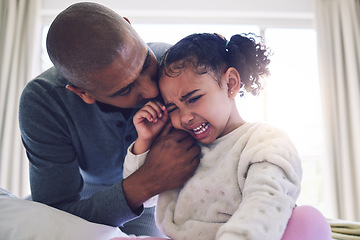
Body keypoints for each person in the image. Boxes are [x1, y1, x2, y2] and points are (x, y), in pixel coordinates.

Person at [122, 33, 332, 239]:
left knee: (307, 220)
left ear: (230, 84)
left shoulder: (265, 141)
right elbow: (145, 197)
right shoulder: (180, 147)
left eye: (193, 98)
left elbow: (264, 205)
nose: (185, 117)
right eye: (172, 108)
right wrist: (145, 141)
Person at [18, 2, 200, 237]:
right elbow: (56, 211)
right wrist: (144, 182)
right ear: (83, 93)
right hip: (84, 194)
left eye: (145, 63)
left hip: (154, 202)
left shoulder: (177, 64)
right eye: (125, 90)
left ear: (129, 25)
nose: (152, 90)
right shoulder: (43, 101)